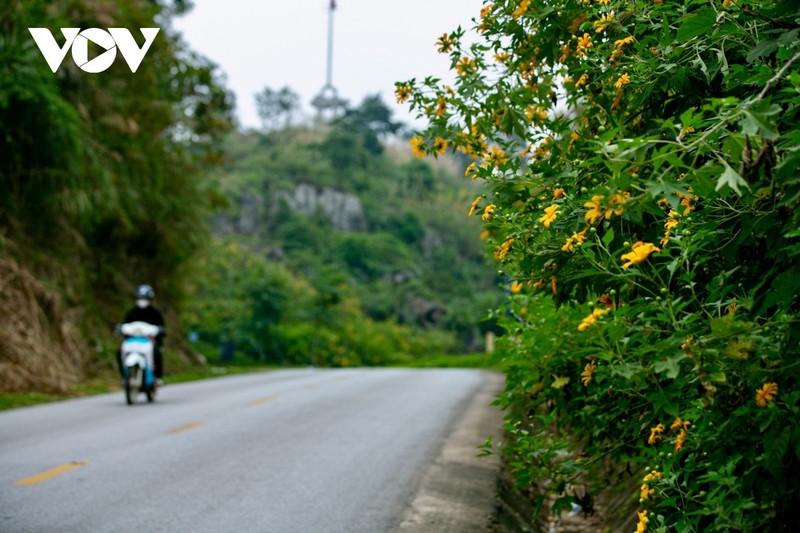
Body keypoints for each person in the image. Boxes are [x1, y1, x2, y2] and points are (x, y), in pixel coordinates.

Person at [121, 284, 166, 384]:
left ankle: (157, 377)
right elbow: (125, 325)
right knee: (119, 351)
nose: (142, 300)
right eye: (140, 298)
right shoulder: (132, 313)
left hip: (148, 341)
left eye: (144, 298)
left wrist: (160, 331)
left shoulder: (155, 313)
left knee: (157, 352)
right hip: (133, 341)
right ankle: (124, 377)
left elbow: (161, 327)